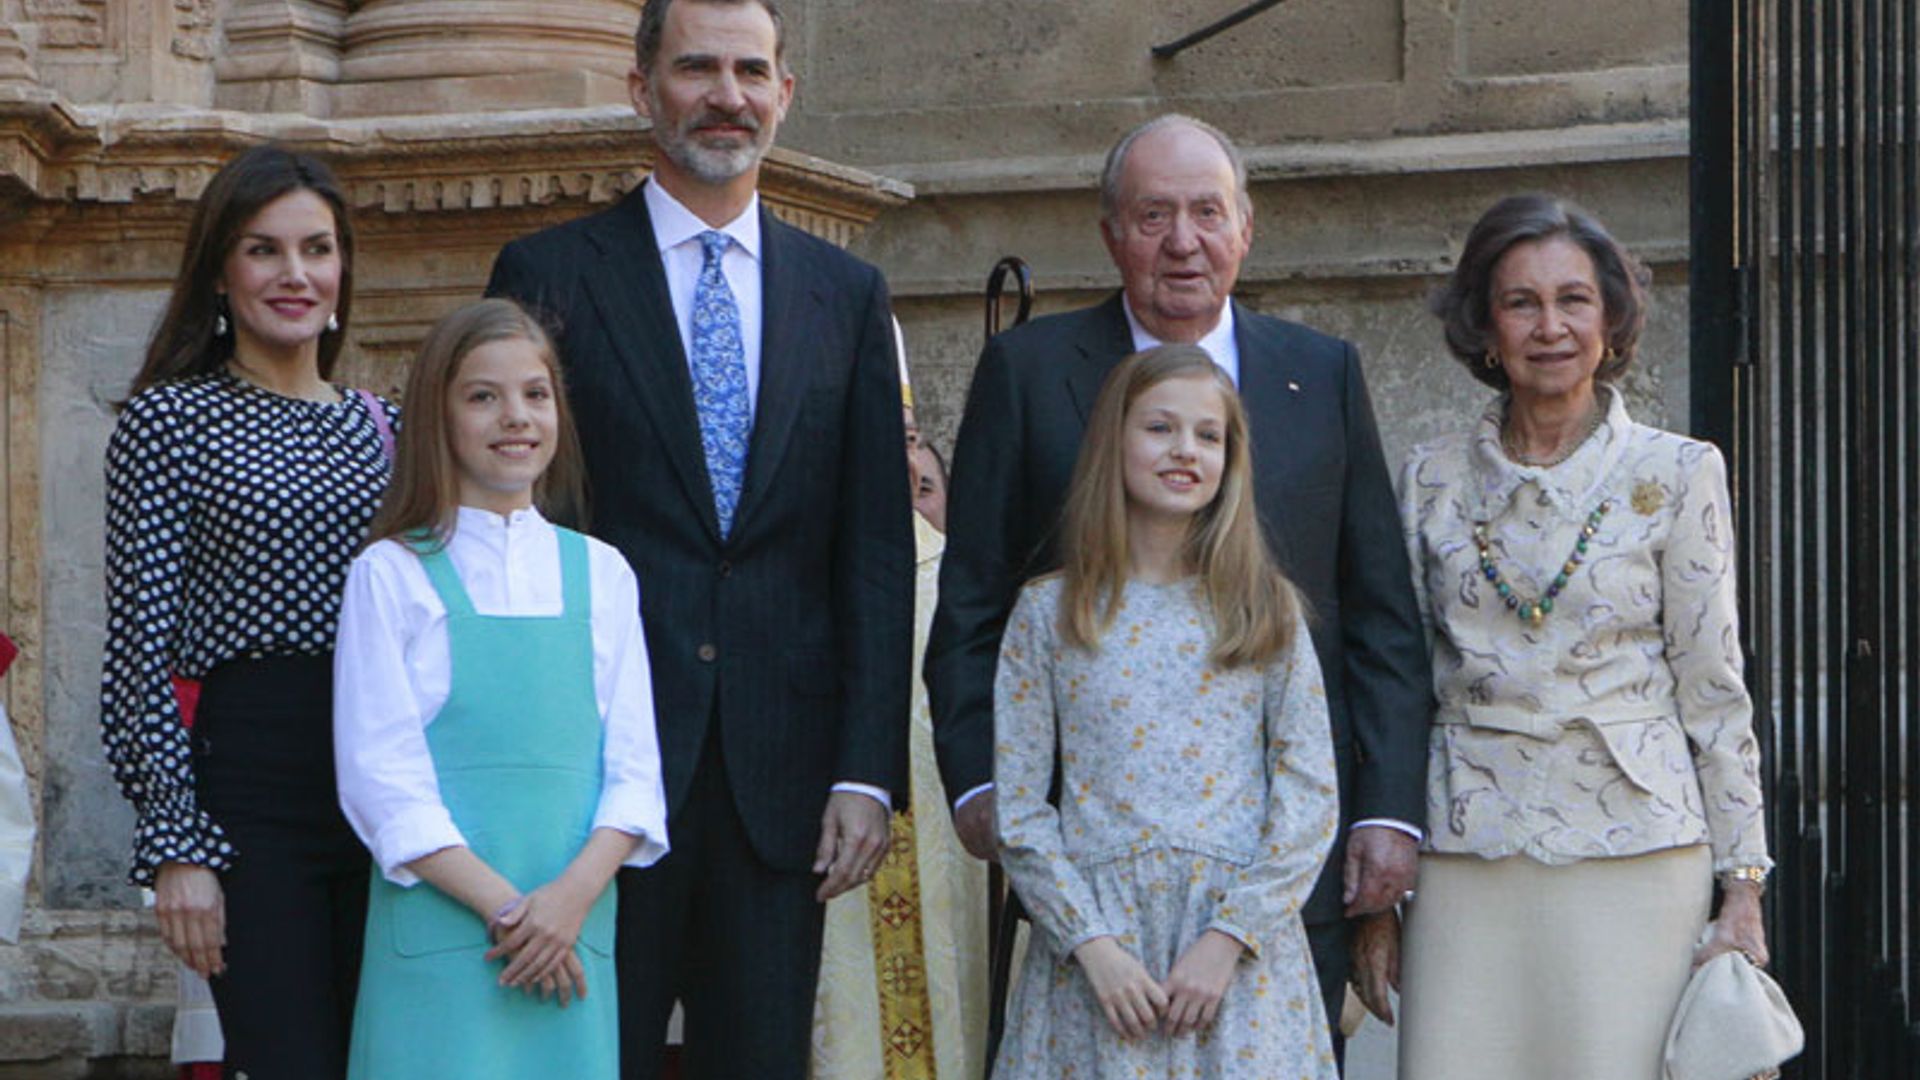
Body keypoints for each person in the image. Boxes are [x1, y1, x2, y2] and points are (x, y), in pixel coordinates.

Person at [924, 113, 1433, 1039]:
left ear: (1247, 227)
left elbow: (1380, 614)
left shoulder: (1320, 373)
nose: (1184, 241)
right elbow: (971, 605)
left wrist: (1390, 809)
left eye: (1208, 212)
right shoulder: (1027, 372)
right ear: (1112, 232)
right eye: (1155, 215)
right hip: (1086, 887)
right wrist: (979, 786)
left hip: (1272, 890)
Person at [484, 1, 915, 1075]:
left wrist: (867, 771)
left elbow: (873, 549)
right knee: (588, 1057)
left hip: (782, 781)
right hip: (595, 776)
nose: (727, 94)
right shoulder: (549, 276)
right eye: (697, 68)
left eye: (750, 70)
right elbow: (512, 525)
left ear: (783, 94)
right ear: (641, 88)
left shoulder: (847, 296)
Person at [1350, 193, 1772, 1079]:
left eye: (1574, 299)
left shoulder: (1680, 471)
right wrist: (1377, 902)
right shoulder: (1428, 478)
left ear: (1611, 319)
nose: (1551, 326)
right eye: (1521, 302)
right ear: (1485, 327)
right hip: (1466, 847)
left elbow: (1712, 685)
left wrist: (1743, 888)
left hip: (1637, 851)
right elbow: (1397, 681)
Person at [99, 144, 396, 1078]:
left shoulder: (383, 424)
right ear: (221, 273)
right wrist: (177, 844)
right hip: (255, 791)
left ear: (344, 266)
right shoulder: (169, 422)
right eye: (264, 250)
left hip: (389, 784)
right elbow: (139, 654)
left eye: (316, 248)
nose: (295, 274)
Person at [332, 298, 669, 1077]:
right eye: (483, 396)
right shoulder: (391, 574)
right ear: (437, 417)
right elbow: (382, 782)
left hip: (573, 933)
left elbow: (635, 775)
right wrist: (516, 914)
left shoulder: (604, 573)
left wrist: (568, 902)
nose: (514, 416)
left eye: (535, 394)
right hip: (450, 939)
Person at [991, 344, 1338, 1078]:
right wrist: (1089, 943)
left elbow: (1309, 792)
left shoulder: (1262, 608)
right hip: (1098, 961)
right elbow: (1019, 810)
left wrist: (1229, 938)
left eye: (1208, 435)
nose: (1185, 450)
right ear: (1113, 440)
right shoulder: (1049, 614)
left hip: (1234, 960)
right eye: (1160, 428)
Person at [811, 366, 986, 1080]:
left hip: (954, 867)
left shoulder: (967, 579)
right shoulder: (800, 570)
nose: (903, 460)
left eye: (911, 440)